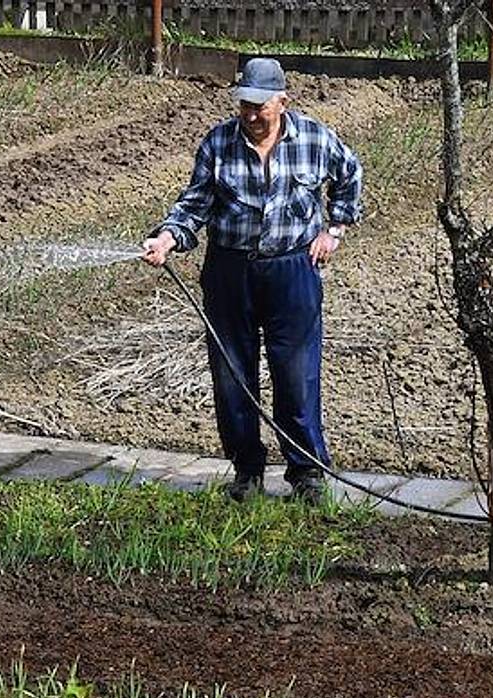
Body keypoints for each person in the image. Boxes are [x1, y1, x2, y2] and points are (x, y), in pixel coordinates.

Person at [142, 57, 363, 504]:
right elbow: (195, 204)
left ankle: (307, 473)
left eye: (261, 106)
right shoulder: (218, 143)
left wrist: (333, 230)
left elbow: (350, 177)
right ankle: (247, 471)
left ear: (283, 101)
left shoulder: (316, 139)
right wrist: (167, 238)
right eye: (245, 105)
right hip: (230, 270)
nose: (252, 115)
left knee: (296, 373)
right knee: (232, 374)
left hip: (292, 269)